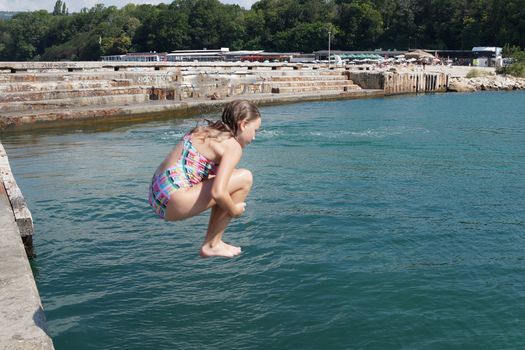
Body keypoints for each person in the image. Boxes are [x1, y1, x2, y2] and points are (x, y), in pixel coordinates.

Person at [148, 100, 262, 258]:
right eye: (255, 130)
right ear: (243, 124)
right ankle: (212, 244)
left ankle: (213, 243)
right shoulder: (232, 146)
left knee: (228, 176)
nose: (254, 137)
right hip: (173, 201)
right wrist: (234, 211)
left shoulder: (202, 131)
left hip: (156, 195)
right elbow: (218, 192)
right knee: (244, 178)